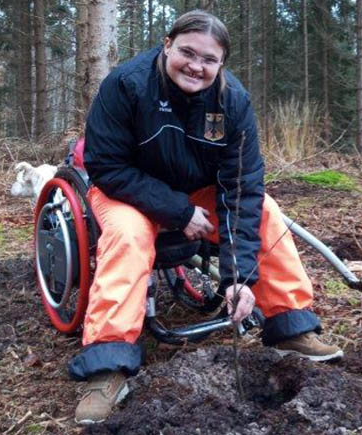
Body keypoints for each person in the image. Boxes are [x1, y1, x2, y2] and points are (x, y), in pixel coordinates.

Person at [69, 10, 343, 425]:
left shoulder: (232, 102)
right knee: (127, 235)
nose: (196, 66)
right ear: (167, 45)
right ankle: (107, 366)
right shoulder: (125, 85)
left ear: (222, 64)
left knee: (266, 211)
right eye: (187, 52)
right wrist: (177, 211)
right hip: (126, 191)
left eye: (209, 59)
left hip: (196, 191)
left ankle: (290, 325)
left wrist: (239, 278)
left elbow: (241, 187)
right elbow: (106, 166)